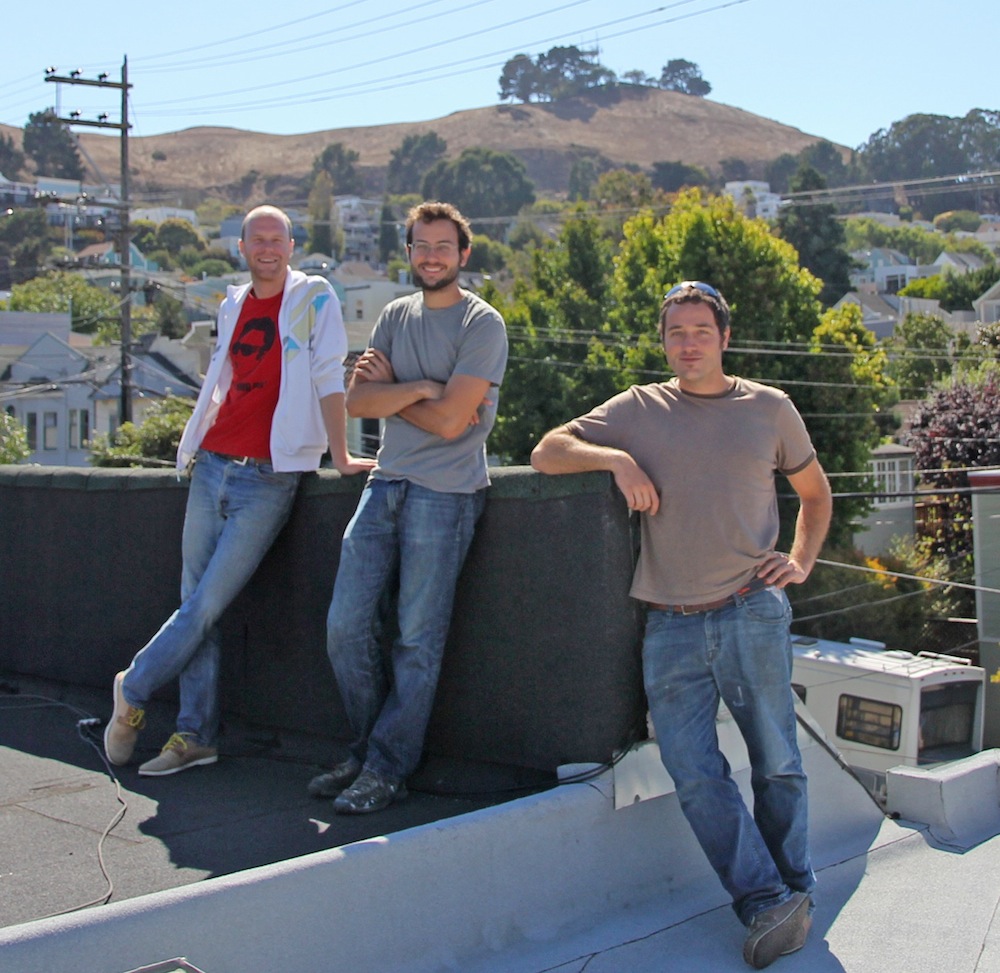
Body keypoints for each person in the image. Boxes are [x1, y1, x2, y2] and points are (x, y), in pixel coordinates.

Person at [530, 281, 832, 970]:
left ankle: (795, 892)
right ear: (663, 341)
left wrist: (800, 561)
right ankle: (766, 899)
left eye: (701, 331)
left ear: (725, 338)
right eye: (676, 332)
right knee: (693, 771)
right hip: (668, 624)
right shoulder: (638, 409)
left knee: (779, 763)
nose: (689, 343)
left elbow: (815, 494)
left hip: (751, 608)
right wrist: (616, 458)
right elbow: (547, 450)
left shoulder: (770, 408)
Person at [103, 204, 373, 777]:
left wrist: (341, 453)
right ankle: (196, 736)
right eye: (258, 239)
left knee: (207, 603)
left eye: (278, 239)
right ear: (243, 248)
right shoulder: (232, 303)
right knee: (194, 604)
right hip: (212, 464)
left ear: (292, 247)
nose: (268, 248)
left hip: (270, 475)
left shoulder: (315, 297)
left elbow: (329, 374)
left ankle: (135, 687)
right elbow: (224, 383)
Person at [310, 201, 508, 815]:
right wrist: (423, 388)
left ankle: (387, 768)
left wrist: (395, 394)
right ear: (409, 252)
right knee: (345, 627)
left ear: (463, 253)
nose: (431, 256)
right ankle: (370, 750)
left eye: (443, 246)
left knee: (417, 639)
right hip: (385, 481)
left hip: (446, 494)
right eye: (421, 245)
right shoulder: (395, 315)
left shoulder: (482, 324)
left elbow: (452, 425)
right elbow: (357, 403)